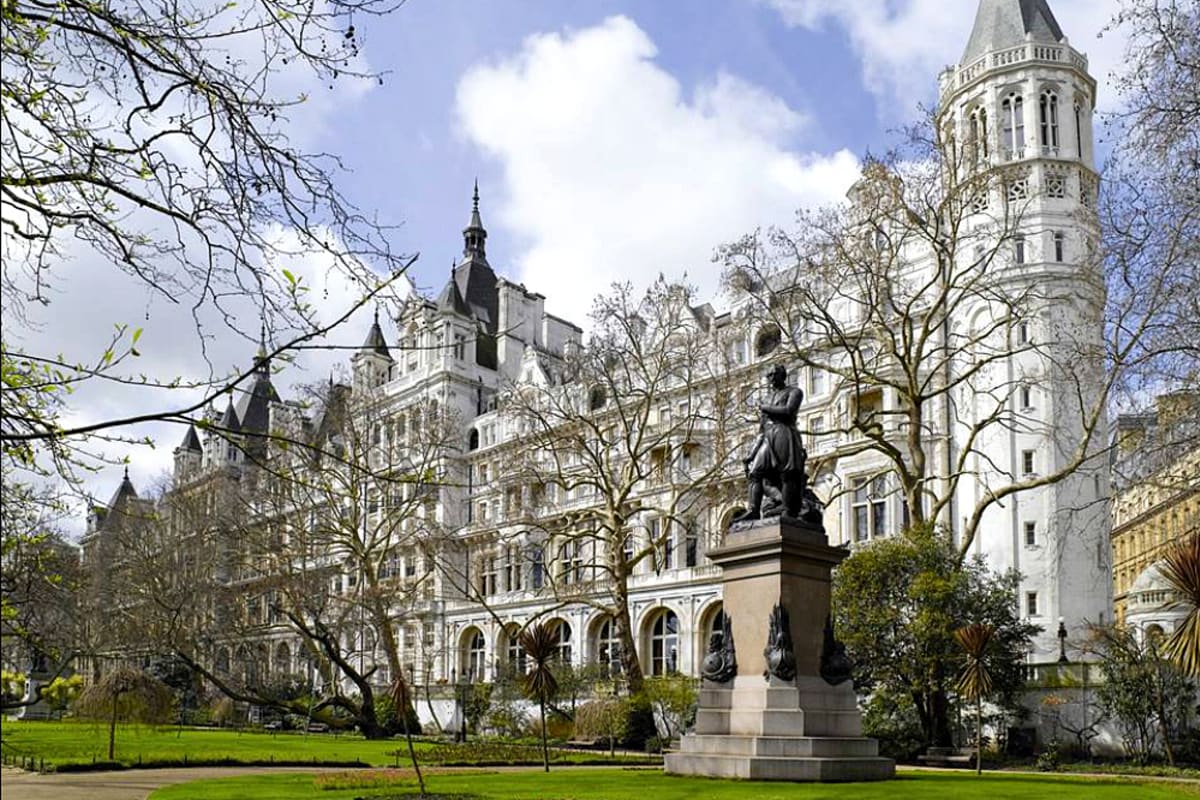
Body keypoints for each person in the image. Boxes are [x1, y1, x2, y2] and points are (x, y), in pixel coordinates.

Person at [733, 365, 807, 523]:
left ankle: (788, 510)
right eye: (768, 375)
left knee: (787, 474)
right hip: (767, 435)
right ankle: (753, 510)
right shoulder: (767, 398)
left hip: (784, 432)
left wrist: (765, 408)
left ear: (782, 375)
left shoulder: (794, 392)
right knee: (755, 473)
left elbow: (789, 411)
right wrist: (751, 455)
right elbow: (761, 430)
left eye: (774, 374)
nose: (771, 378)